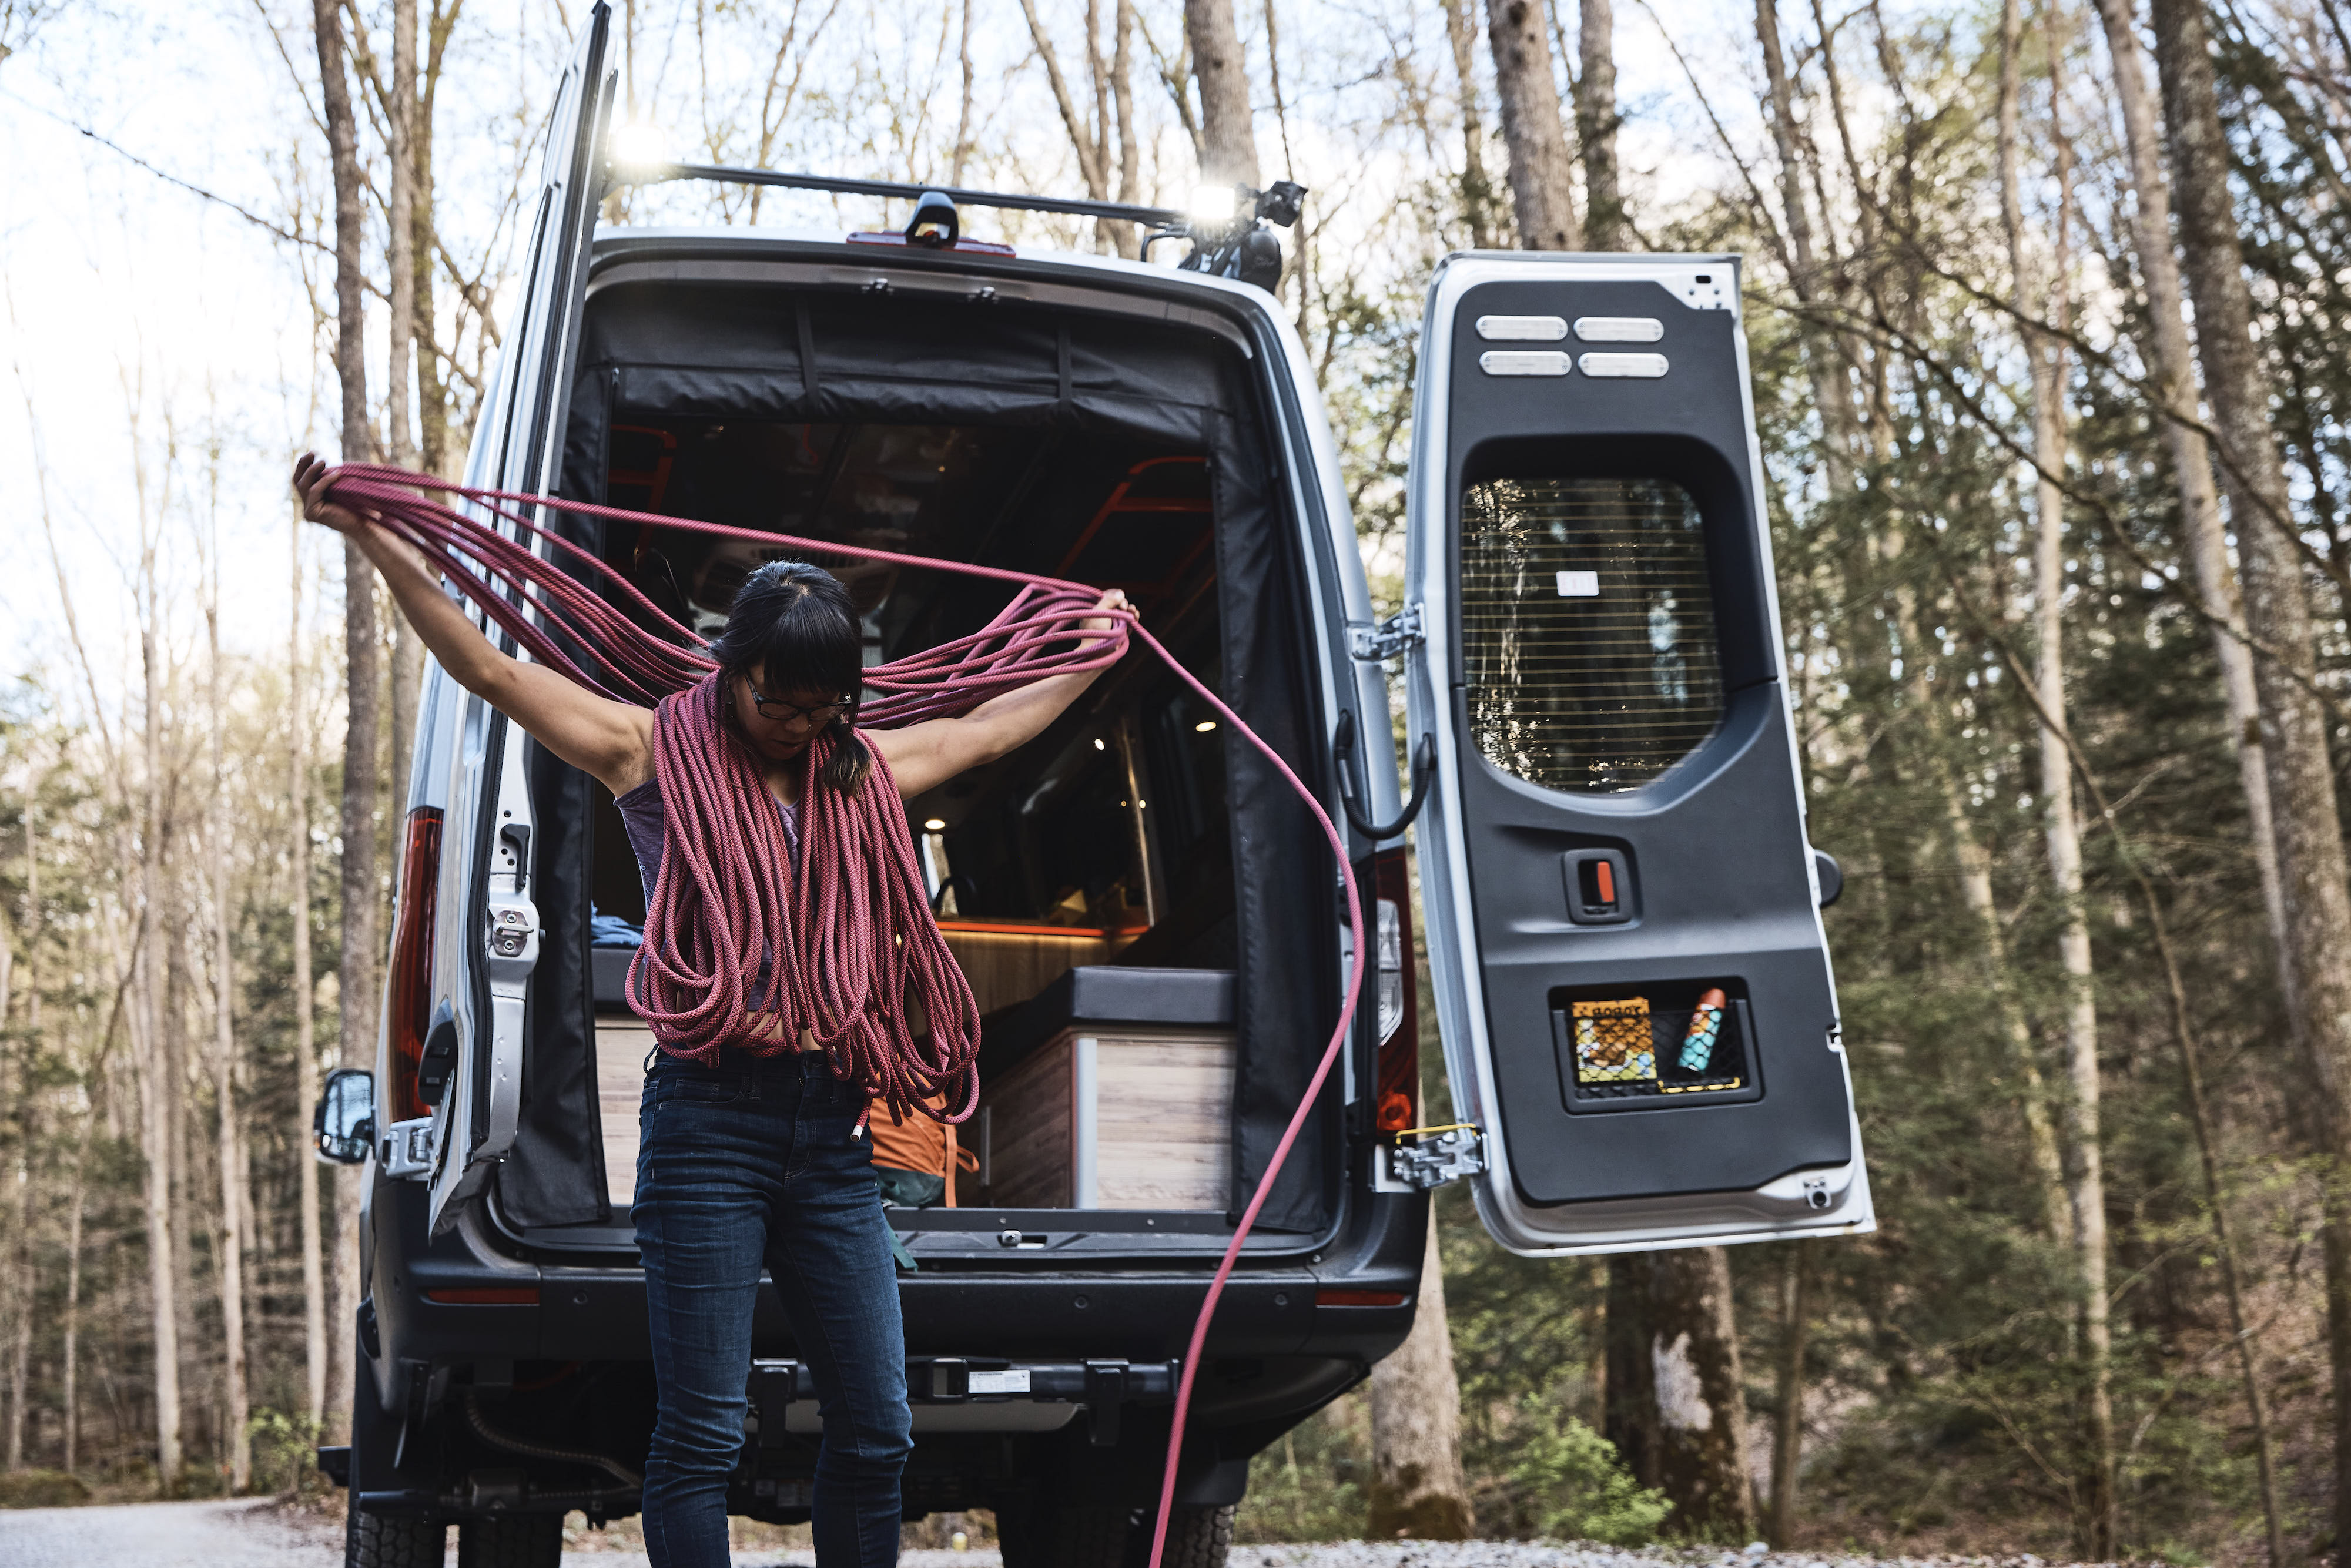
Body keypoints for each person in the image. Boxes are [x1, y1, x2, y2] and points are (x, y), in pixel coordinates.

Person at [293, 454, 1128, 1567]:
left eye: (821, 707)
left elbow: (991, 729)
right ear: (733, 672)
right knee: (699, 1434)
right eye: (774, 699)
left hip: (829, 1134)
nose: (793, 724)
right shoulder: (648, 750)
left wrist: (1093, 642)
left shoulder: (857, 769)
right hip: (706, 1131)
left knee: (877, 1429)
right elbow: (490, 671)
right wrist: (374, 542)